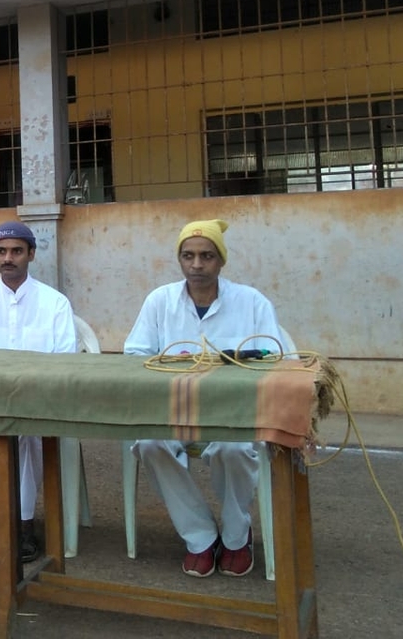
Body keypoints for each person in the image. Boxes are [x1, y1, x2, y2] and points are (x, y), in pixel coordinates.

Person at [123, 219, 288, 579]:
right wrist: (172, 364)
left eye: (206, 256)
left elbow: (276, 357)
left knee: (234, 450)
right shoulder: (159, 301)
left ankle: (235, 536)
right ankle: (199, 536)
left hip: (233, 414)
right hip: (173, 411)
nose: (197, 264)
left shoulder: (251, 302)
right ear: (179, 260)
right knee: (150, 444)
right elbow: (135, 352)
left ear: (221, 261)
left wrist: (236, 362)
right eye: (189, 256)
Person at [0, 221, 77, 563]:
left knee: (22, 432)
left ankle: (22, 523)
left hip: (41, 402)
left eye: (16, 251)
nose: (8, 258)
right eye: (1, 252)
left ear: (31, 254)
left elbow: (65, 362)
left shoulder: (55, 304)